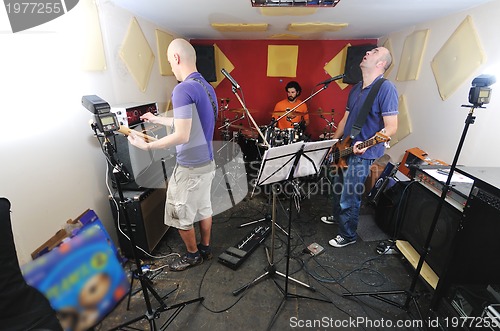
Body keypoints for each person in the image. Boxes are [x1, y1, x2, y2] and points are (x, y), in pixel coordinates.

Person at [128, 38, 217, 271]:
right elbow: (188, 121)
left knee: (180, 215)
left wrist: (148, 146)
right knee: (204, 207)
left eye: (169, 61)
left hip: (189, 167)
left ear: (176, 58)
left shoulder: (182, 89)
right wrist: (157, 119)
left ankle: (192, 255)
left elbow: (182, 135)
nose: (170, 67)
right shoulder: (207, 88)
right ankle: (205, 248)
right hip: (207, 162)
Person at [323, 46, 398, 248]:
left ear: (381, 63)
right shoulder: (356, 87)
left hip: (362, 154)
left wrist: (367, 144)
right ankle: (339, 218)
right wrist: (334, 143)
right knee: (338, 189)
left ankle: (348, 235)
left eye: (374, 51)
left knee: (350, 195)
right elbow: (344, 120)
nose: (368, 52)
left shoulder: (385, 88)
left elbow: (391, 128)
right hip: (344, 148)